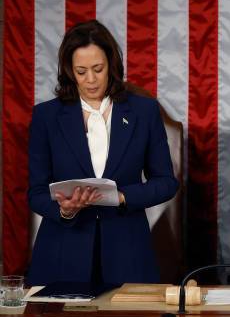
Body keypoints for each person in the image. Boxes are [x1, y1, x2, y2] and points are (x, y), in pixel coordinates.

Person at [27, 20, 178, 285]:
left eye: (98, 69)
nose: (91, 79)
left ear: (112, 64)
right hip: (62, 254)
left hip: (127, 253)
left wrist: (121, 197)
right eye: (81, 71)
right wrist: (65, 209)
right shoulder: (46, 116)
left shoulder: (144, 112)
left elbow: (166, 183)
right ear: (68, 71)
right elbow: (36, 193)